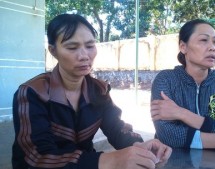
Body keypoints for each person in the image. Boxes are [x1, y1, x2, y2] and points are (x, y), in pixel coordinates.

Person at [12, 13, 172, 169]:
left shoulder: (99, 90)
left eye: (90, 46)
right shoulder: (32, 93)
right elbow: (36, 158)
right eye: (72, 47)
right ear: (53, 51)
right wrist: (109, 161)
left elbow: (116, 128)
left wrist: (139, 146)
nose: (84, 55)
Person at [150, 19, 215, 149]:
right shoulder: (166, 80)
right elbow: (168, 136)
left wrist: (181, 113)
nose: (212, 47)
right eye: (204, 40)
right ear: (183, 47)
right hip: (172, 161)